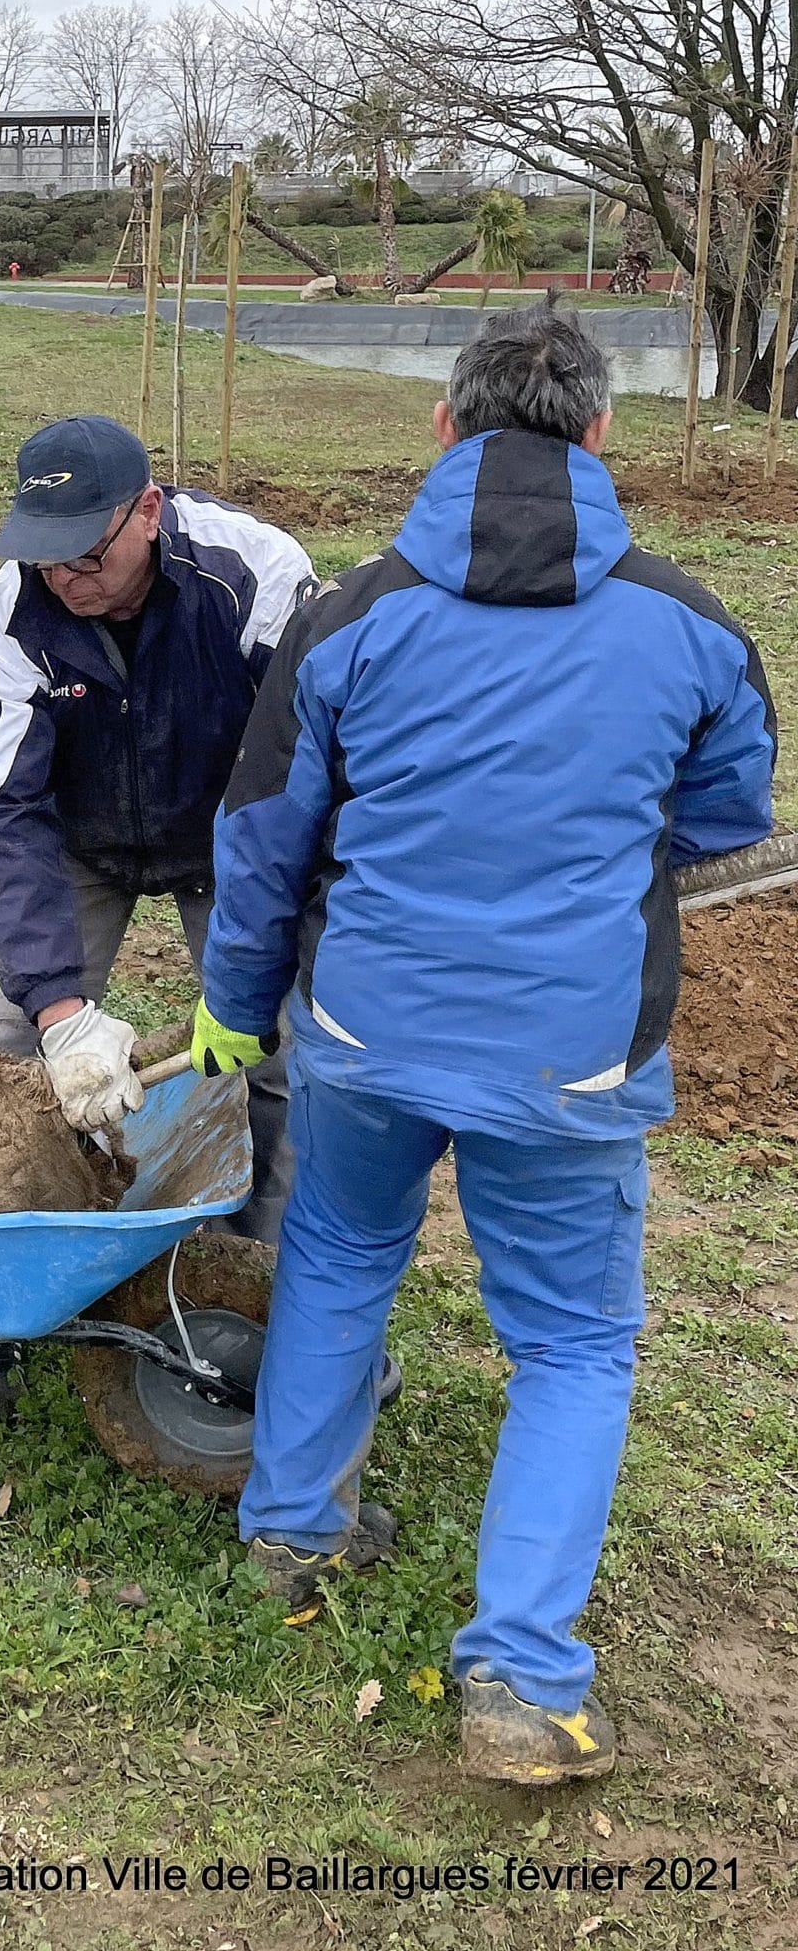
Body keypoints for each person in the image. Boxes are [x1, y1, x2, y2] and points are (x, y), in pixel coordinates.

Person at [195, 307, 775, 1785]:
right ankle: (520, 1678)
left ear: (444, 427)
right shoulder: (695, 626)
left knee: (339, 1255)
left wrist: (237, 999)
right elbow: (727, 813)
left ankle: (290, 1538)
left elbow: (264, 838)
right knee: (571, 1342)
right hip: (567, 1057)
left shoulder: (351, 615)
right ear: (602, 435)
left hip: (364, 1030)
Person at [0, 413, 314, 1230]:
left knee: (275, 1051)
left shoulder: (255, 575)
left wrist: (258, 951)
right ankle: (22, 1243)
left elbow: (303, 768)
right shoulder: (6, 618)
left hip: (228, 836)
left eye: (85, 554)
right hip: (80, 839)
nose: (63, 580)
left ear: (146, 511)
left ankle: (260, 1251)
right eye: (43, 556)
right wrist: (59, 1012)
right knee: (20, 1052)